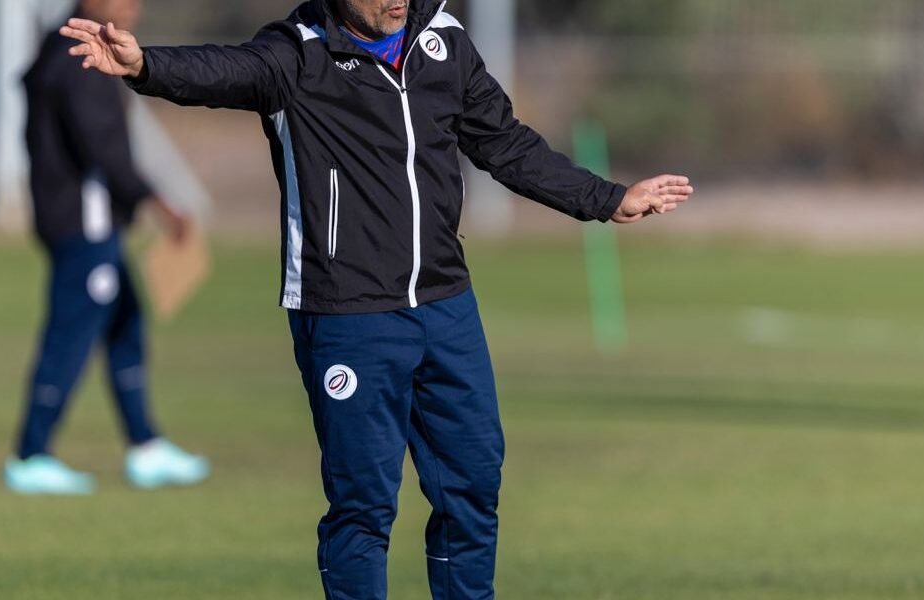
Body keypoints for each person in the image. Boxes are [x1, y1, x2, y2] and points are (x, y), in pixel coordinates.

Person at [62, 0, 693, 595]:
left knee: (473, 488)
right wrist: (145, 66)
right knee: (363, 506)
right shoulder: (296, 54)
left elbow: (506, 144)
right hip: (348, 315)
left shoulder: (443, 41)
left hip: (447, 307)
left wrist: (608, 199)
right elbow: (222, 71)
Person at [5, 0, 210, 496]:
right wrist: (158, 204)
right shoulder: (80, 57)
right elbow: (103, 147)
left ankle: (145, 445)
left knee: (125, 325)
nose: (135, 7)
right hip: (85, 223)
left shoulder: (58, 48)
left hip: (83, 221)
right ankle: (31, 454)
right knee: (70, 334)